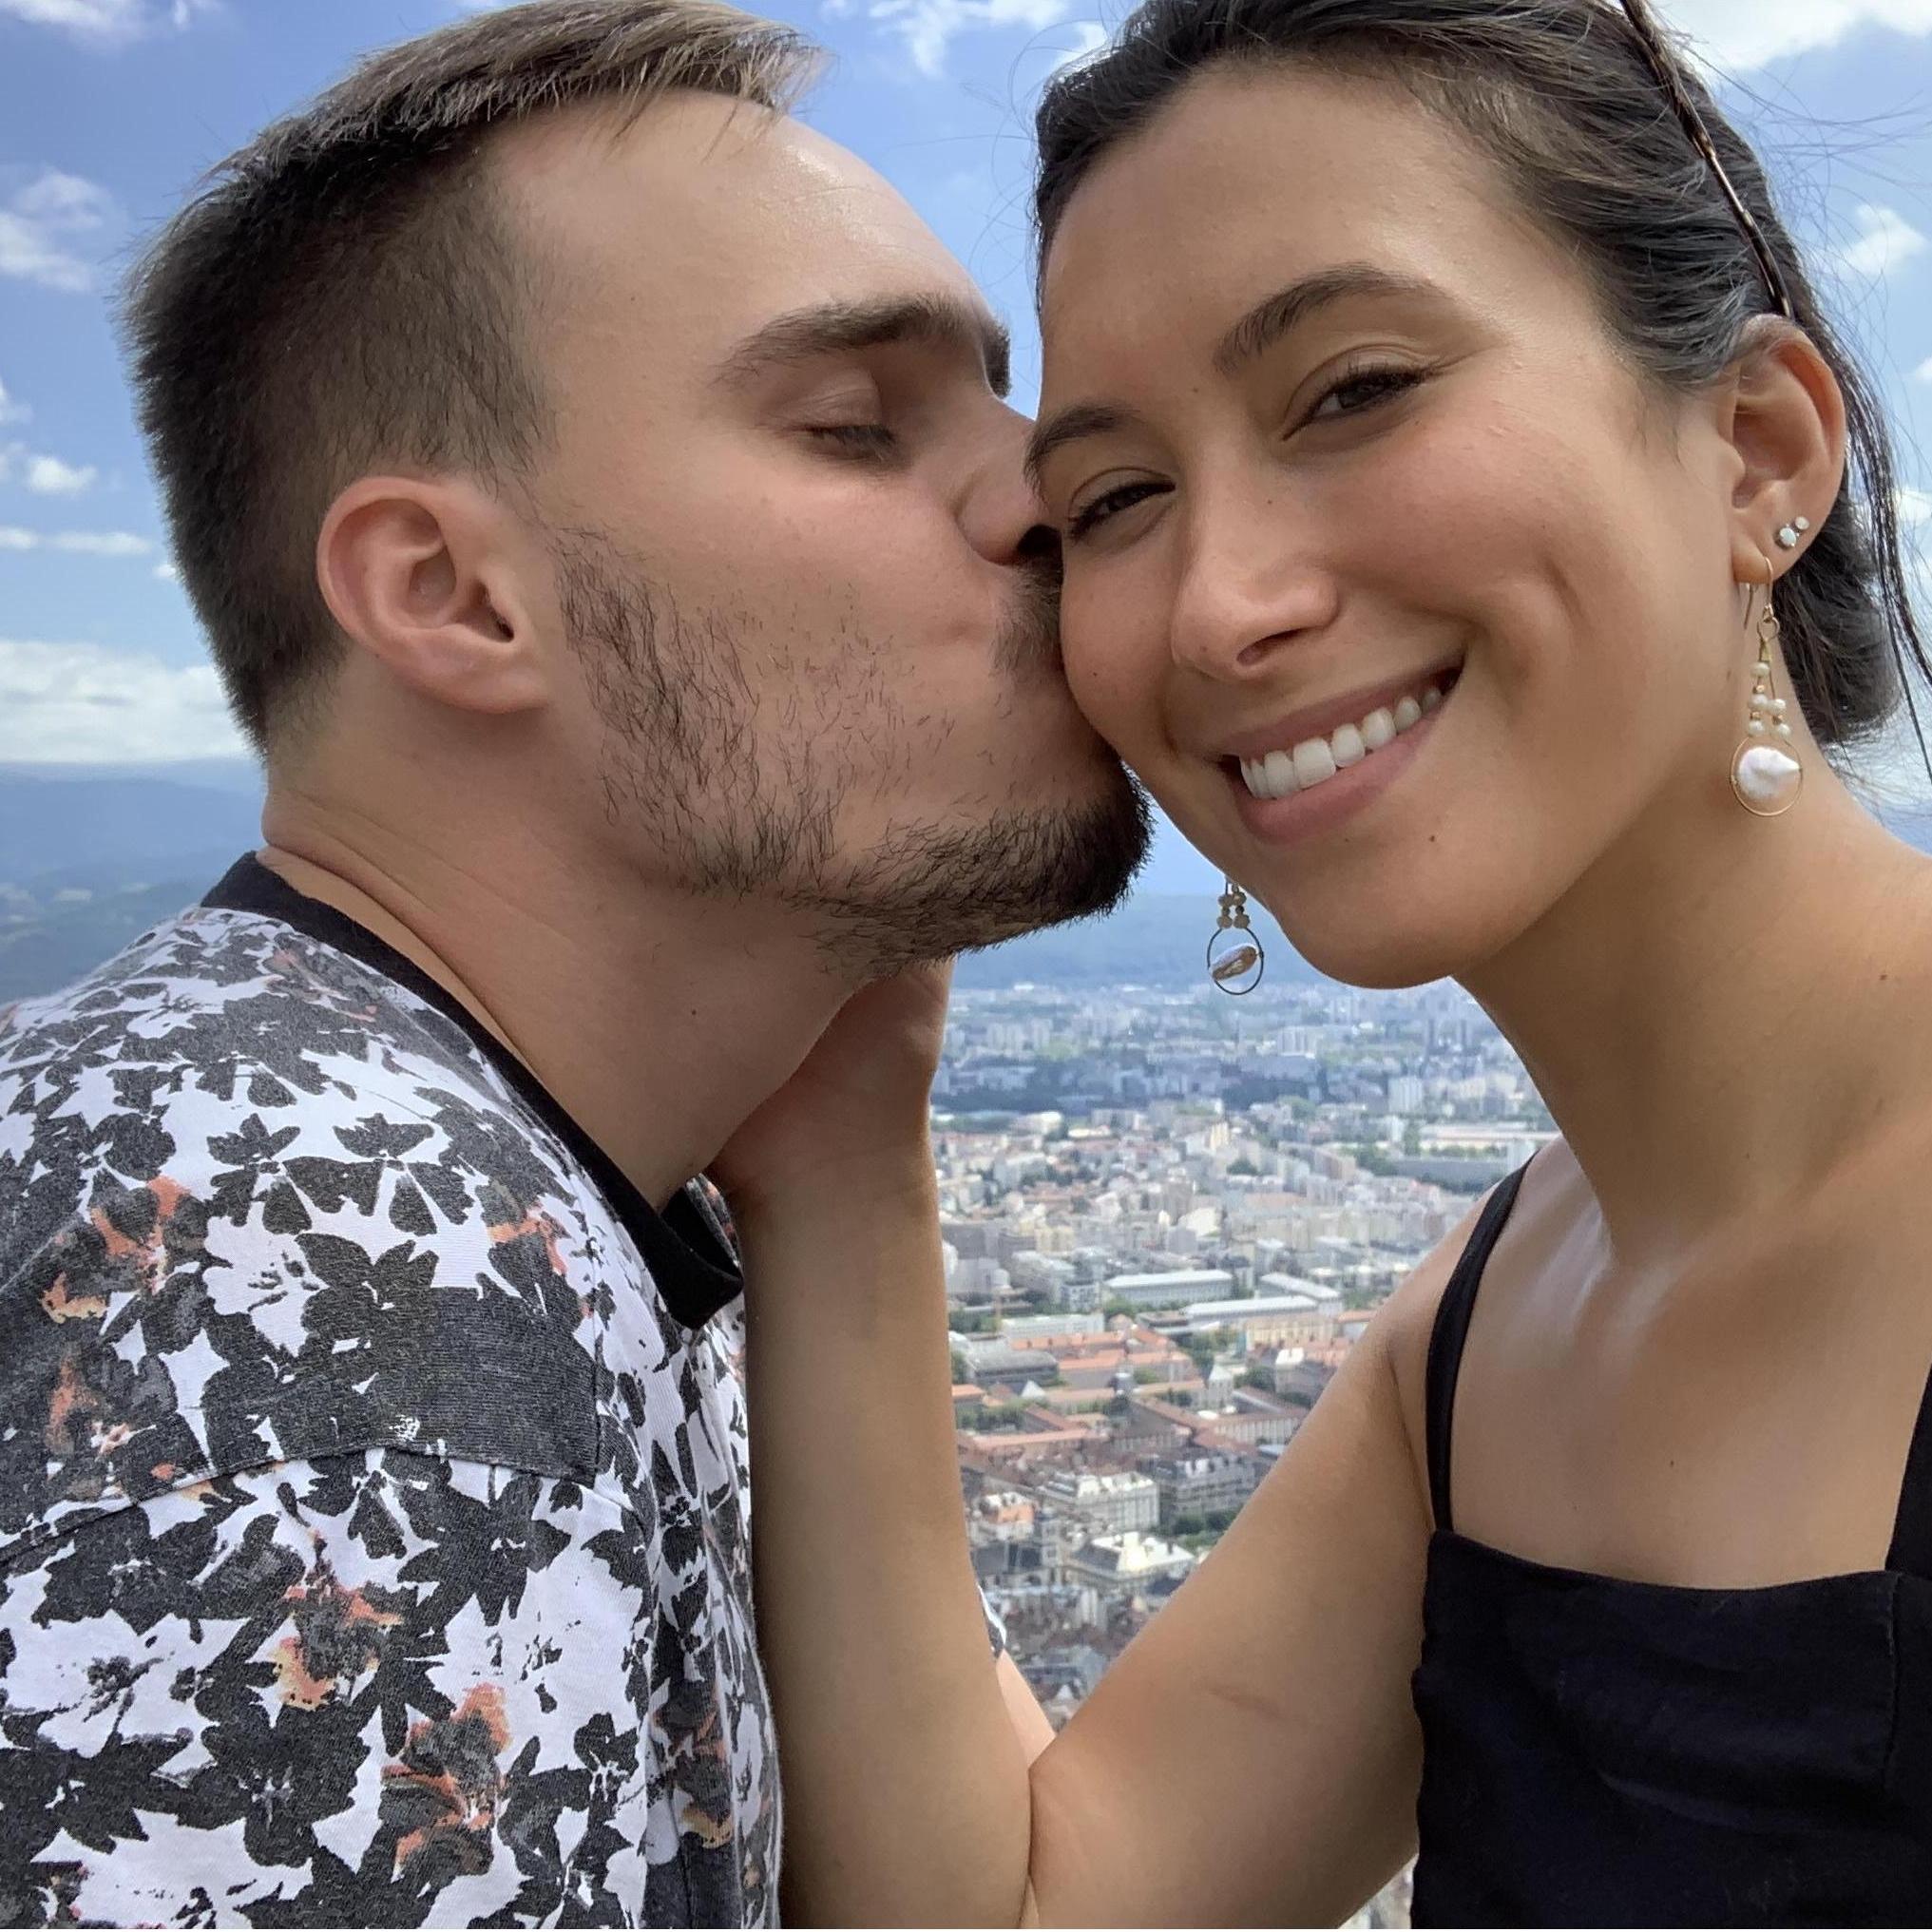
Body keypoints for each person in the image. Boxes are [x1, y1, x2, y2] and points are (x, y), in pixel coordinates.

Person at [719, 0, 1932, 1923]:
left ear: (1754, 448)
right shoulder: (1474, 1349)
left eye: (1354, 389)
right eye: (1114, 500)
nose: (1222, 606)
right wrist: (848, 1149)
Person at [0, 3, 1150, 1924]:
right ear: (452, 596)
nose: (1044, 489)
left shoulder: (412, 1172)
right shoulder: (328, 1273)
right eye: (857, 425)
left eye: (1002, 399)